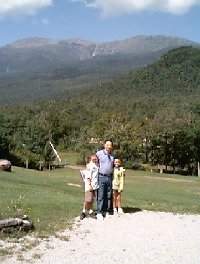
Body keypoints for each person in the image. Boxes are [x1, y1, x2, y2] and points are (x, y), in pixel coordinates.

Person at [96, 139, 115, 220]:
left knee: (108, 195)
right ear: (104, 145)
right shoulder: (99, 153)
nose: (109, 147)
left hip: (109, 177)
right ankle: (99, 212)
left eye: (110, 145)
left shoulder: (113, 154)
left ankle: (106, 211)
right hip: (101, 176)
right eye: (107, 145)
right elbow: (93, 161)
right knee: (101, 195)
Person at [80, 153, 99, 220]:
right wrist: (89, 185)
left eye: (95, 158)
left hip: (95, 186)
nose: (95, 159)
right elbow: (88, 176)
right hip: (89, 186)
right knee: (87, 200)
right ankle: (83, 212)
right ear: (91, 158)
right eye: (93, 158)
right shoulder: (90, 166)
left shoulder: (96, 165)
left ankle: (90, 211)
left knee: (92, 200)